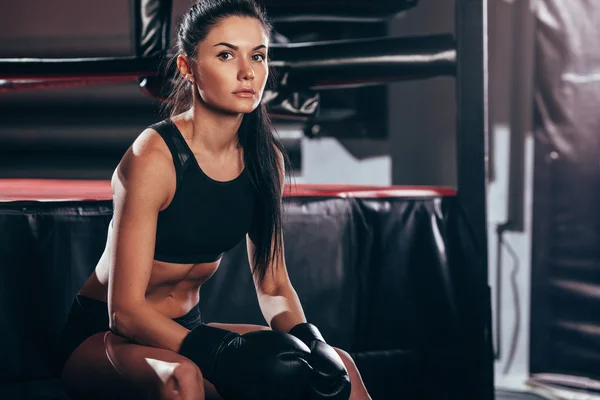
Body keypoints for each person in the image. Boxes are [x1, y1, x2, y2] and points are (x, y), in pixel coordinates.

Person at [58, 0, 372, 399]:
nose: (247, 73)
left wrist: (313, 341)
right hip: (104, 338)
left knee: (338, 366)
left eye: (257, 56)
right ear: (187, 68)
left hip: (187, 331)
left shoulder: (264, 160)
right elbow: (125, 312)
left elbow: (274, 285)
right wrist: (221, 352)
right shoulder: (153, 156)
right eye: (226, 55)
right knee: (183, 378)